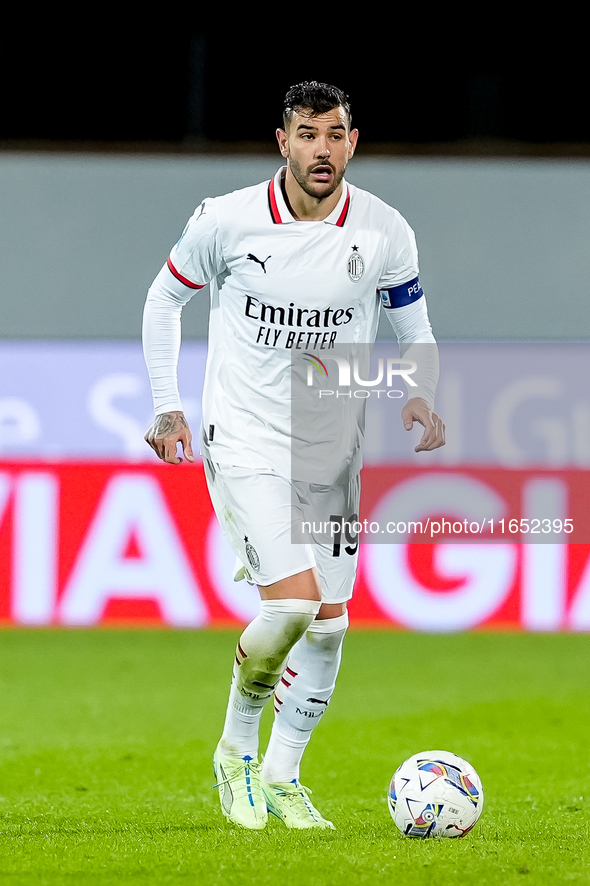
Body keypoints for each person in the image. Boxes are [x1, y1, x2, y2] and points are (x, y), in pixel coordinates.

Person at [142, 81, 445, 831]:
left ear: (352, 141)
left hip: (329, 442)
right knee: (290, 602)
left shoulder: (382, 229)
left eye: (335, 134)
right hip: (243, 435)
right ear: (282, 142)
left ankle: (284, 773)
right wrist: (166, 405)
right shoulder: (227, 220)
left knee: (331, 621)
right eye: (307, 134)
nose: (321, 148)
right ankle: (235, 751)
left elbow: (416, 328)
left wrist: (419, 393)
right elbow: (162, 300)